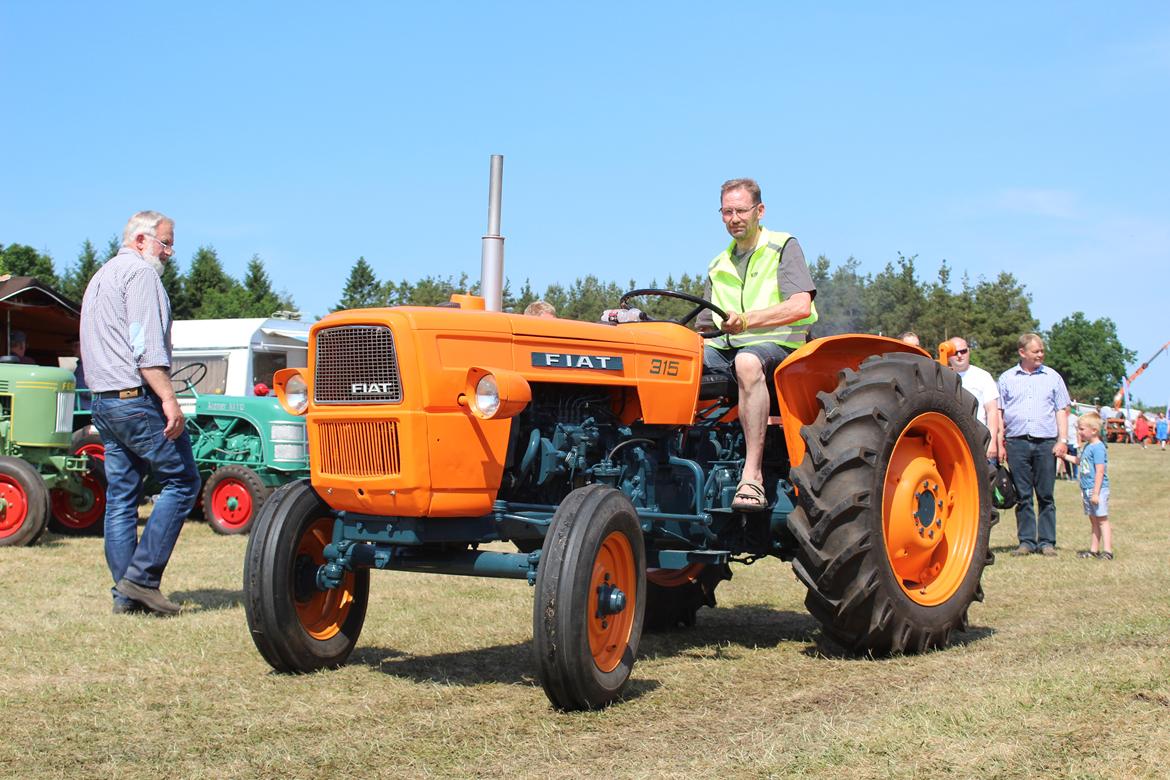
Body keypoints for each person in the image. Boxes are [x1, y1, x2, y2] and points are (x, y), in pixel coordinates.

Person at [80, 210, 201, 616]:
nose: (170, 252)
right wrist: (169, 398)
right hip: (135, 399)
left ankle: (126, 596)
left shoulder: (101, 277)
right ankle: (142, 580)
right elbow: (146, 346)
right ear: (140, 241)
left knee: (121, 497)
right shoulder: (142, 275)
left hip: (104, 401)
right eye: (165, 242)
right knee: (183, 480)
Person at [696, 178, 817, 511]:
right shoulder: (718, 264)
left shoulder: (782, 246)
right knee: (679, 362)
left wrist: (748, 320)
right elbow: (705, 325)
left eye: (741, 210)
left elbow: (800, 306)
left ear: (759, 211)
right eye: (727, 211)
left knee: (747, 362)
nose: (734, 218)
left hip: (782, 348)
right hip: (728, 347)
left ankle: (753, 475)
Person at [998, 333, 1071, 557]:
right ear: (1022, 353)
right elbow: (999, 412)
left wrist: (1063, 440)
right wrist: (1001, 442)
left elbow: (1062, 410)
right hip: (1016, 442)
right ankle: (1027, 541)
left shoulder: (1053, 377)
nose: (1041, 354)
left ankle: (1047, 542)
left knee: (1046, 494)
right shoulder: (1007, 378)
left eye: (1041, 350)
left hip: (1045, 443)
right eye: (1036, 351)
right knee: (1023, 495)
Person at [1062, 412, 1113, 560]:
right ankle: (1094, 549)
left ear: (1094, 430)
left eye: (1082, 429)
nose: (1079, 432)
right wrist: (1064, 456)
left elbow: (1100, 471)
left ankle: (1108, 551)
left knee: (1102, 519)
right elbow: (1081, 462)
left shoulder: (1098, 447)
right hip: (1086, 488)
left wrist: (1096, 493)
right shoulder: (1088, 447)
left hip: (1096, 489)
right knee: (1093, 520)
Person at [946, 337, 1000, 462]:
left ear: (969, 351)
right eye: (955, 352)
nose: (959, 355)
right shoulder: (942, 376)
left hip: (979, 439)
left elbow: (992, 411)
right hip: (952, 440)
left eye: (963, 351)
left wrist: (991, 442)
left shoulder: (983, 376)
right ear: (948, 355)